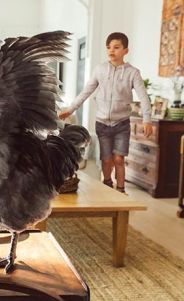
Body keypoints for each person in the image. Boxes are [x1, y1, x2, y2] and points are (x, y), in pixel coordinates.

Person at [58, 32, 152, 193]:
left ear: (125, 50)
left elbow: (143, 97)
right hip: (102, 123)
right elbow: (86, 91)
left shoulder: (133, 73)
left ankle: (121, 191)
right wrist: (71, 109)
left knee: (119, 159)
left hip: (122, 123)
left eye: (116, 47)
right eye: (109, 47)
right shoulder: (100, 70)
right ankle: (108, 186)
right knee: (107, 160)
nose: (111, 51)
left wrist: (147, 119)